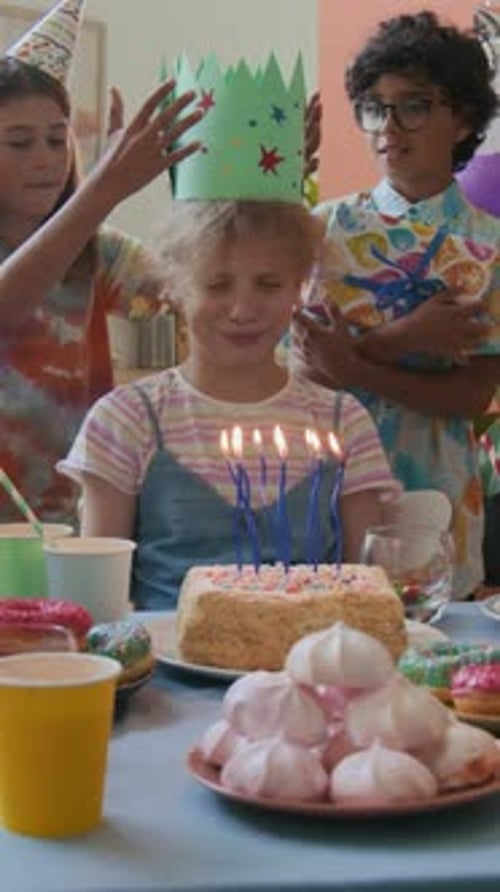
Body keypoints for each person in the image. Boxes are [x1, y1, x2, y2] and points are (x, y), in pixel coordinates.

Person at [58, 198, 399, 610]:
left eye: (269, 284)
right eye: (217, 285)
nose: (242, 310)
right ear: (175, 289)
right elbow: (99, 599)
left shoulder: (342, 422)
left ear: (299, 287)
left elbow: (368, 588)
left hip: (310, 664)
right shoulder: (127, 419)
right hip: (167, 666)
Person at [293, 10, 500, 600]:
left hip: (434, 484)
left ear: (461, 118)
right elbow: (306, 369)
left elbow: (470, 396)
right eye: (374, 107)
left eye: (414, 106)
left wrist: (354, 365)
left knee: (429, 659)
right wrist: (405, 339)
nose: (389, 126)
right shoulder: (323, 227)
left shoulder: (490, 244)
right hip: (322, 481)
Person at [0, 0, 203, 527]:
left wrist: (253, 186)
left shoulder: (102, 253)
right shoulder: (89, 220)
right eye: (19, 143)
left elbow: (201, 289)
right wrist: (100, 193)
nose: (45, 158)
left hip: (76, 520)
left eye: (55, 138)